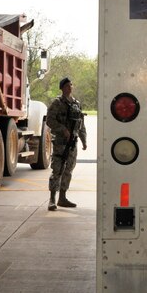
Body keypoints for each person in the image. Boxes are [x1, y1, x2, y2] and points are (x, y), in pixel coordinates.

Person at [45, 76, 87, 210]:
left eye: (71, 85)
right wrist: (62, 129)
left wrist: (83, 140)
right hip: (60, 143)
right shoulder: (57, 103)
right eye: (67, 85)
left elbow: (81, 124)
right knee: (57, 170)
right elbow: (49, 121)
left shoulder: (76, 104)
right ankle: (52, 199)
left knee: (68, 171)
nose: (70, 87)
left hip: (72, 143)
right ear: (62, 88)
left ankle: (62, 198)